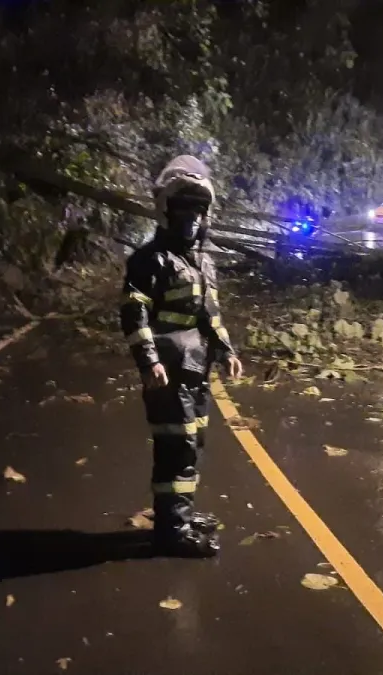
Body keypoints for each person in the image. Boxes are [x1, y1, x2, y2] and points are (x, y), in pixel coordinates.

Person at [119, 155, 243, 558]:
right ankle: (172, 530)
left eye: (197, 207)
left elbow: (210, 312)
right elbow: (134, 310)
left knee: (192, 442)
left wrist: (226, 350)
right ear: (165, 209)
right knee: (175, 446)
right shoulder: (149, 259)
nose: (191, 216)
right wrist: (149, 359)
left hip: (195, 367)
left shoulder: (203, 260)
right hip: (169, 368)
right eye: (183, 206)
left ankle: (179, 515)